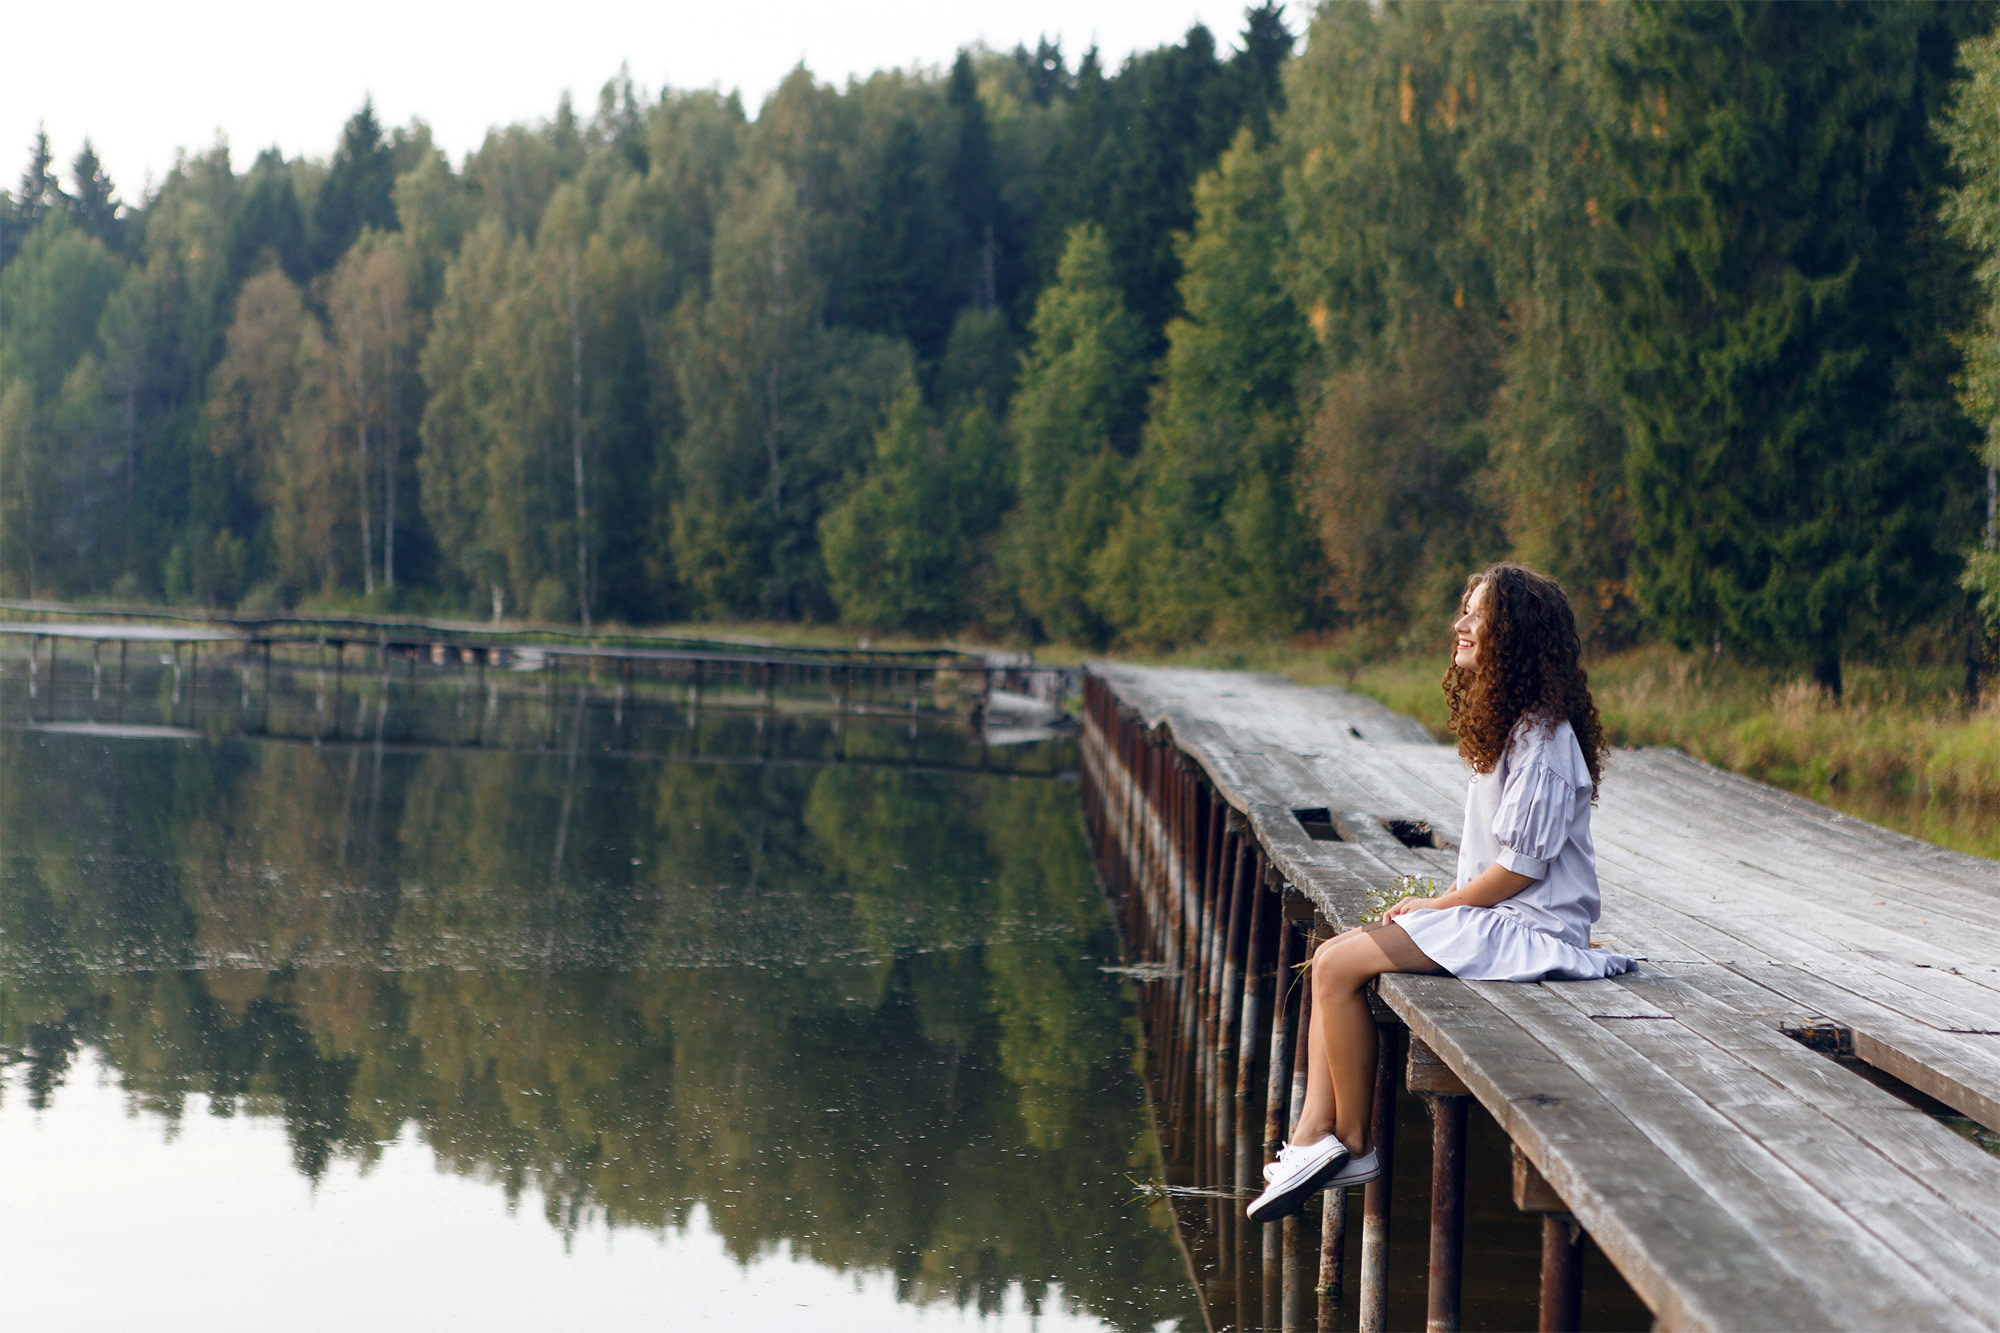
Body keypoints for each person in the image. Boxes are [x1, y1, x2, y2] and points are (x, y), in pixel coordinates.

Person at [1246, 563, 1636, 1225]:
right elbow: (1493, 861)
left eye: (1475, 616)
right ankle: (1314, 1134)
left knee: (1339, 964)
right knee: (1332, 955)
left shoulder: (1543, 739)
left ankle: (1354, 1144)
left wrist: (1440, 905)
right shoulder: (1516, 726)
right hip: (1500, 914)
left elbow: (1520, 872)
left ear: (1511, 635)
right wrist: (1448, 895)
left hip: (1529, 927)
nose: (1460, 625)